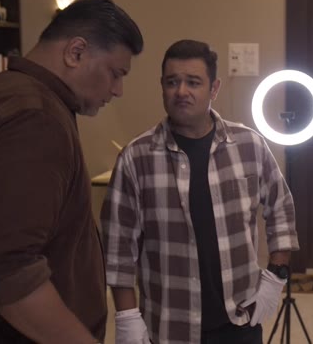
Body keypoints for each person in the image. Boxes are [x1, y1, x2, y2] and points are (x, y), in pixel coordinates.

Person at [0, 0, 144, 343]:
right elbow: (8, 269)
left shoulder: (14, 93)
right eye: (115, 73)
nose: (118, 89)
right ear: (76, 52)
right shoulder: (33, 117)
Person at [101, 39, 299, 344]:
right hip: (168, 326)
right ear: (162, 87)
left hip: (241, 320)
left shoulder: (249, 145)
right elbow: (118, 246)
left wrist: (275, 277)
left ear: (214, 88)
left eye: (193, 82)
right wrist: (127, 317)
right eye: (172, 82)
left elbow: (281, 208)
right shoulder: (135, 158)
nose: (181, 91)